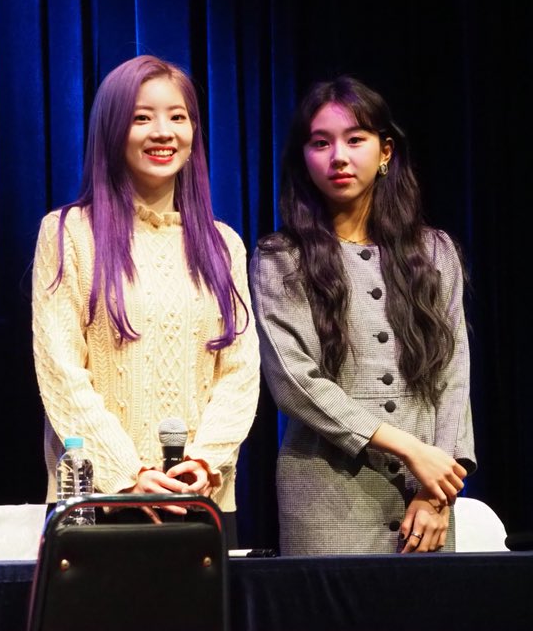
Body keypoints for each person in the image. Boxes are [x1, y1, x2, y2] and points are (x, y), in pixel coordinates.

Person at [31, 54, 260, 540]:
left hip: (199, 498)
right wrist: (128, 474)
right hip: (98, 500)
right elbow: (61, 372)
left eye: (178, 117)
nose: (163, 132)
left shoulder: (224, 244)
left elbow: (240, 373)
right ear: (112, 131)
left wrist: (205, 461)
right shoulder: (68, 233)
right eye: (142, 118)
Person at [249, 75, 475, 555]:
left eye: (355, 139)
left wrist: (438, 491)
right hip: (327, 500)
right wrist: (410, 448)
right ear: (303, 157)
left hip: (426, 499)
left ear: (385, 151)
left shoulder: (436, 252)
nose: (338, 156)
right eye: (321, 143)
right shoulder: (280, 258)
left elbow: (454, 376)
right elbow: (295, 382)